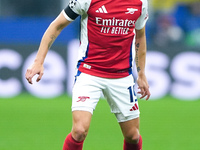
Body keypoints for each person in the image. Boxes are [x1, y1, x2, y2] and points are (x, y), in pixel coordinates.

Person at [25, 0, 151, 149]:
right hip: (89, 72)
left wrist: (141, 73)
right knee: (79, 131)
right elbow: (56, 26)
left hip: (121, 76)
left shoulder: (140, 3)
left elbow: (140, 36)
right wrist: (38, 61)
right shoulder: (86, 1)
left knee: (133, 136)